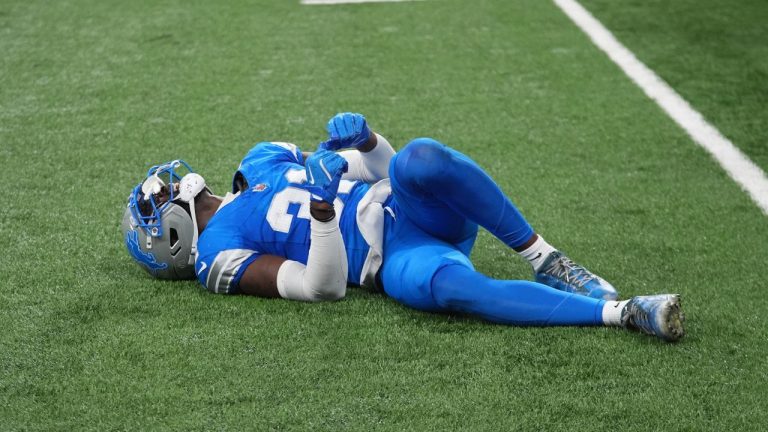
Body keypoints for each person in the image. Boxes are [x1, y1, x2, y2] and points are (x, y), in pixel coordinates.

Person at [121, 113, 685, 341]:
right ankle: (623, 312)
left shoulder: (261, 159)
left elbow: (382, 169)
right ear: (169, 240)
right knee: (448, 288)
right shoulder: (214, 254)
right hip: (388, 260)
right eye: (160, 199)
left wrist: (365, 142)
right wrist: (321, 210)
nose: (167, 187)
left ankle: (547, 259)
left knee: (420, 157)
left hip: (410, 207)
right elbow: (323, 287)